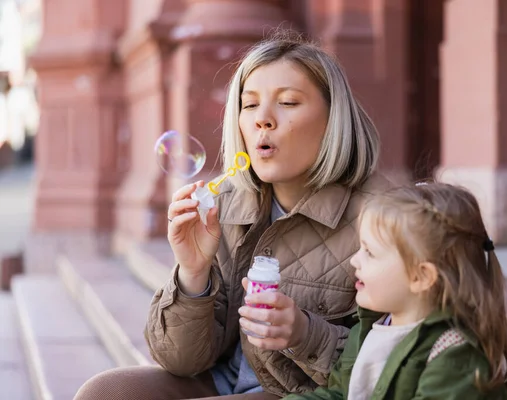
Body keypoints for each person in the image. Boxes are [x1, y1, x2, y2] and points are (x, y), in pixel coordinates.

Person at [74, 32, 393, 400]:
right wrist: (193, 274)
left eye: (288, 102)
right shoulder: (226, 203)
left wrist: (305, 334)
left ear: (333, 118)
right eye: (249, 105)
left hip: (303, 392)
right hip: (223, 381)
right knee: (102, 393)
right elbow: (178, 360)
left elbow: (391, 362)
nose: (263, 120)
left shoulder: (380, 217)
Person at [284, 183, 507, 400]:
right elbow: (342, 393)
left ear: (421, 277)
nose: (355, 261)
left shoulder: (455, 359)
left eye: (370, 252)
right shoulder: (370, 327)